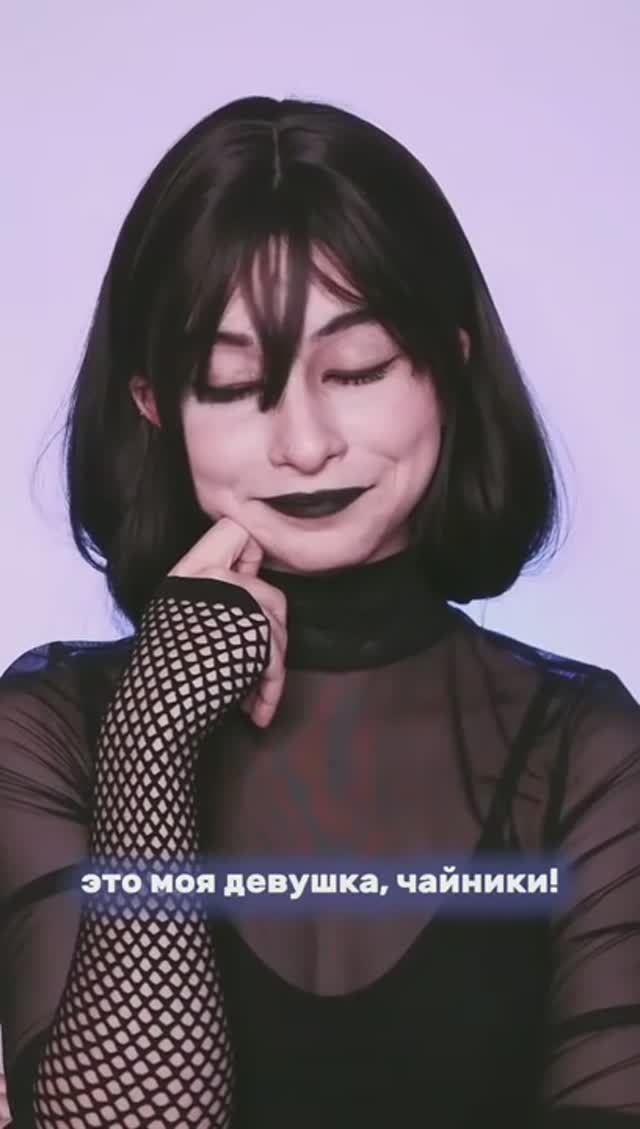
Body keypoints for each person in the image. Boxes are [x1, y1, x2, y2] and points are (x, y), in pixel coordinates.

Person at [0, 93, 638, 1129]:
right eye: (230, 382)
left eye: (358, 368)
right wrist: (150, 742)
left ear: (451, 363)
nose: (304, 444)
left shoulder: (588, 750)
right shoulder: (50, 730)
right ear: (153, 404)